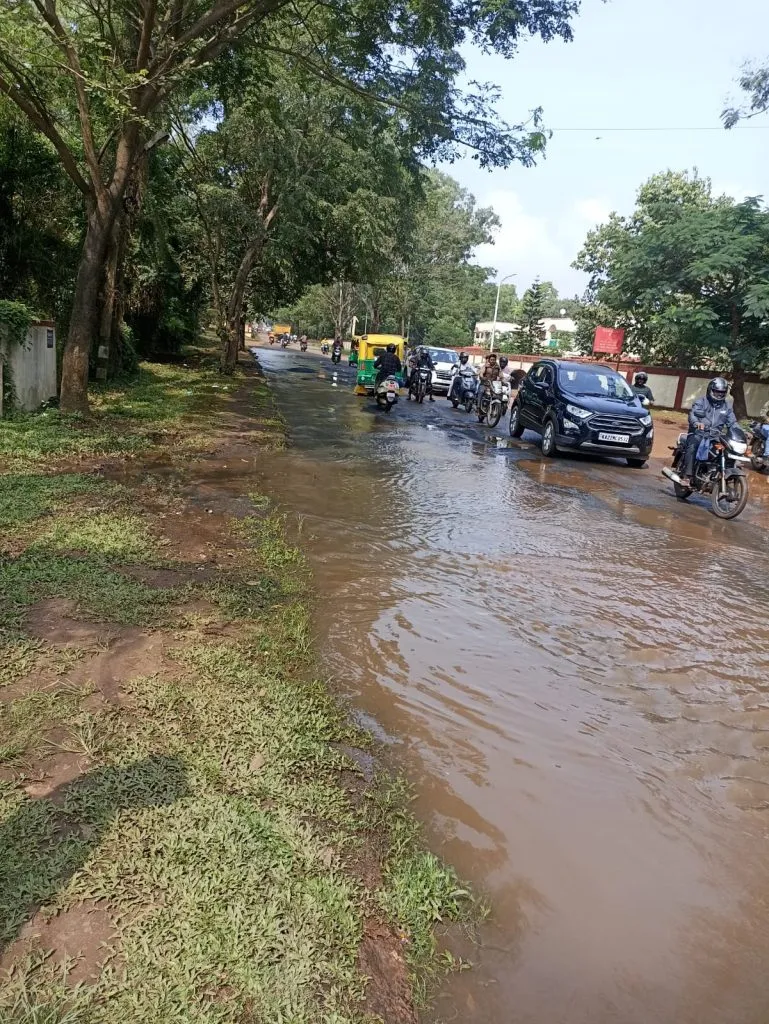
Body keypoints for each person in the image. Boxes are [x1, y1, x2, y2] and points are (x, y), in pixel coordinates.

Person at [681, 377, 737, 485]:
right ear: (710, 390)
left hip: (715, 437)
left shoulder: (727, 406)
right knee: (693, 445)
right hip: (699, 434)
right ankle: (687, 476)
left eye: (722, 392)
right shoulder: (701, 402)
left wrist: (740, 431)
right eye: (717, 392)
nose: (719, 394)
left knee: (727, 451)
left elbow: (733, 422)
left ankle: (719, 475)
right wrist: (697, 423)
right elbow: (693, 414)